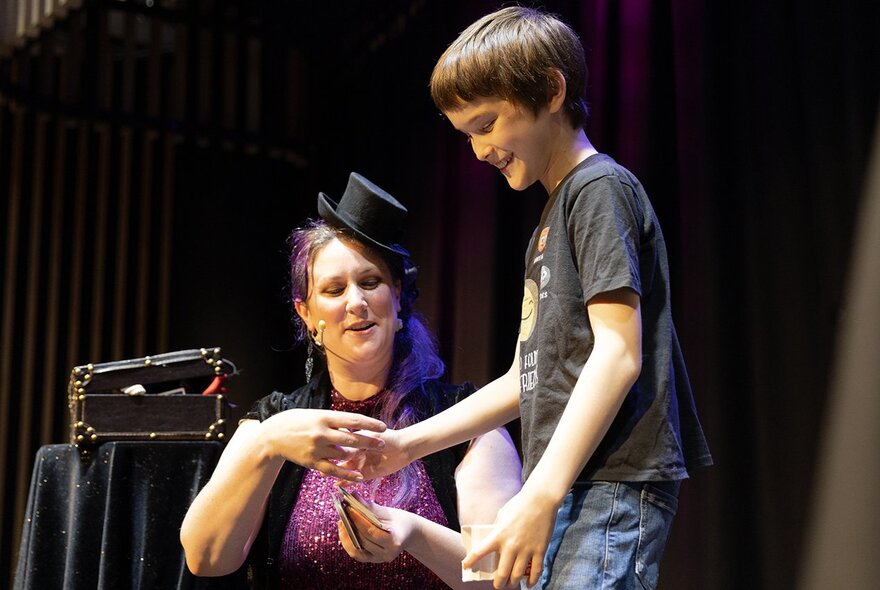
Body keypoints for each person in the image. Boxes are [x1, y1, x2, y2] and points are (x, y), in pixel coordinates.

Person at [349, 7, 713, 590]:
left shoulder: (598, 190)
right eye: (466, 135)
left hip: (611, 478)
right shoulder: (551, 220)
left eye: (486, 124)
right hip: (575, 480)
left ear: (549, 90)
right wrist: (403, 446)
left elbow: (619, 353)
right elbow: (528, 377)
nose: (478, 151)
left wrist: (539, 493)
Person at [180, 172, 522, 589]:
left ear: (397, 298)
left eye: (370, 282)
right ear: (306, 314)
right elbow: (205, 558)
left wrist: (415, 535)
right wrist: (267, 444)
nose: (356, 302)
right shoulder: (273, 422)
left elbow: (504, 580)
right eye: (334, 289)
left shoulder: (466, 423)